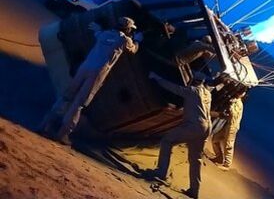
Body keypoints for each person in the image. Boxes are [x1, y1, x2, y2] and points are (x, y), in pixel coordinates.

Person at [41, 16, 140, 144]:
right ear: (127, 29)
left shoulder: (104, 34)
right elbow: (133, 49)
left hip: (85, 67)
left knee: (66, 97)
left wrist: (98, 29)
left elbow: (98, 33)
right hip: (97, 72)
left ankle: (45, 124)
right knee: (79, 103)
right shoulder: (123, 39)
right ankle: (62, 134)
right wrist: (137, 40)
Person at [147, 71, 213, 199]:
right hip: (206, 128)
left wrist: (156, 77)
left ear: (193, 80)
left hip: (194, 126)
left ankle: (161, 173)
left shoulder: (192, 91)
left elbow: (173, 88)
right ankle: (194, 190)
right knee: (196, 159)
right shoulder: (208, 94)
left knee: (167, 141)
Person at [210, 87, 246, 171]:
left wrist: (230, 105)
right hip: (228, 125)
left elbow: (233, 114)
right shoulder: (234, 100)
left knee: (228, 145)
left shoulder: (238, 103)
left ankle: (227, 165)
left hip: (232, 126)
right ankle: (219, 157)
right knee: (215, 139)